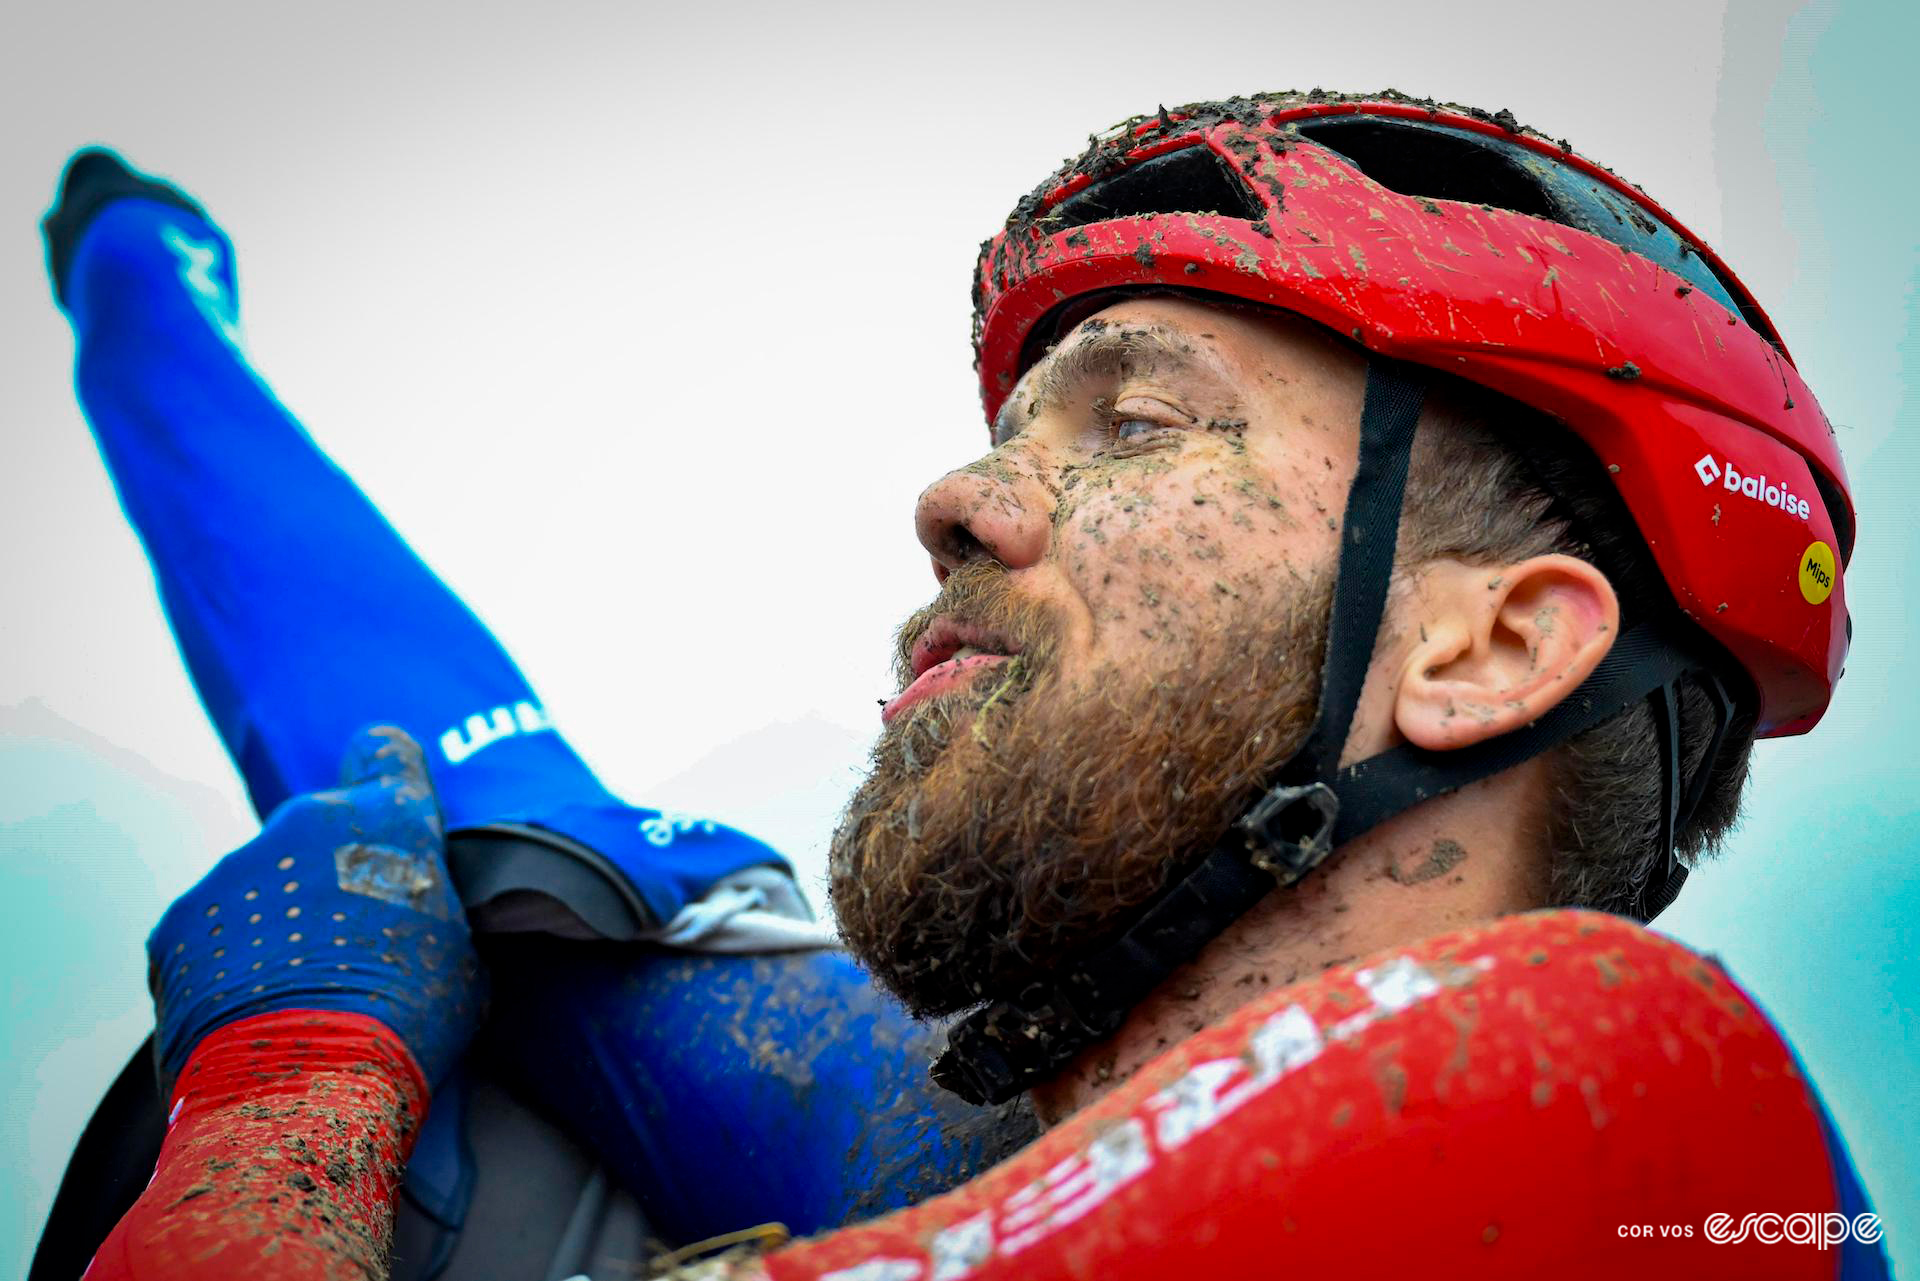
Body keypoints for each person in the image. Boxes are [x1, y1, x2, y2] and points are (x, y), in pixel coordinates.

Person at [35, 91, 1887, 1280]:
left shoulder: (1643, 1121)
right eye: (1006, 434)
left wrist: (287, 1102)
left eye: (1138, 424)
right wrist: (143, 306)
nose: (957, 499)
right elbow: (453, 771)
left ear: (1483, 648)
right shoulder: (959, 1133)